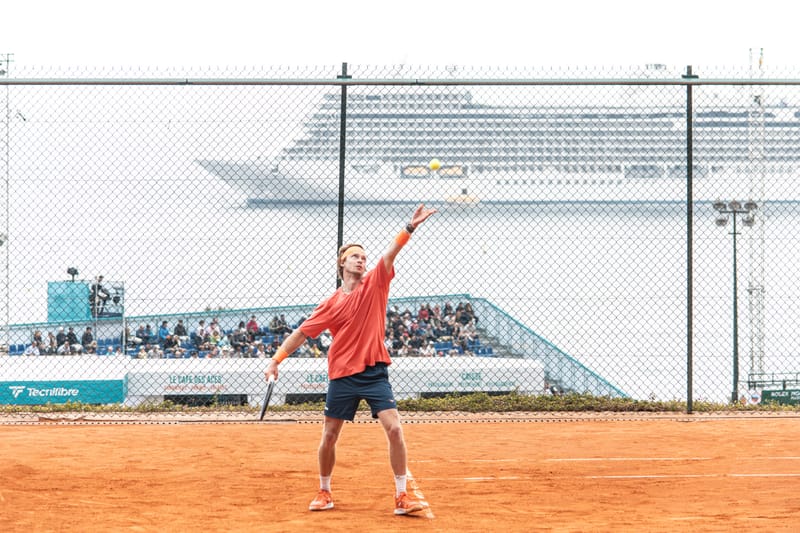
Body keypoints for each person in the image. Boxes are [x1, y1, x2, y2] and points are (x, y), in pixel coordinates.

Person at [264, 203, 437, 516]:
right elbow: (301, 333)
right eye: (356, 256)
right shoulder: (330, 304)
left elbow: (390, 254)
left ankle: (401, 496)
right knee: (329, 436)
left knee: (395, 429)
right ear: (342, 264)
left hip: (374, 371)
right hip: (342, 374)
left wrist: (410, 228)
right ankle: (325, 491)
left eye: (363, 257)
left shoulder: (375, 282)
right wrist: (276, 360)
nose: (362, 259)